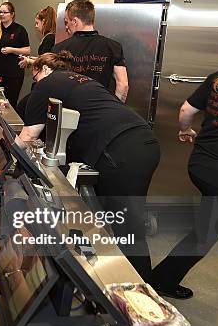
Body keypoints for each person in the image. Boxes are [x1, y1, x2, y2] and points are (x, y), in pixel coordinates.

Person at [17, 52, 160, 281]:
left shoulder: (46, 84)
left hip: (119, 150)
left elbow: (28, 135)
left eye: (34, 76)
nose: (34, 82)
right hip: (142, 140)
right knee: (118, 221)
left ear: (42, 71)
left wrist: (11, 164)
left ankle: (143, 295)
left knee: (126, 226)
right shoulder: (78, 79)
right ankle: (116, 283)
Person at [151, 35, 218, 309]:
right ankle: (161, 279)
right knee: (215, 230)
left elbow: (186, 110)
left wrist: (184, 130)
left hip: (202, 164)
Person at [52, 0, 129, 102]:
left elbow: (53, 84)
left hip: (69, 110)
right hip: (101, 109)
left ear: (74, 21)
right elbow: (123, 85)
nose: (66, 27)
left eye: (66, 22)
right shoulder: (113, 47)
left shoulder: (59, 49)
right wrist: (114, 108)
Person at [17, 5, 57, 117]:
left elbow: (46, 62)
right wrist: (29, 59)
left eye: (37, 23)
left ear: (44, 22)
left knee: (23, 108)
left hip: (45, 82)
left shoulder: (50, 38)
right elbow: (41, 58)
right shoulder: (48, 37)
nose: (36, 26)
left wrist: (29, 61)